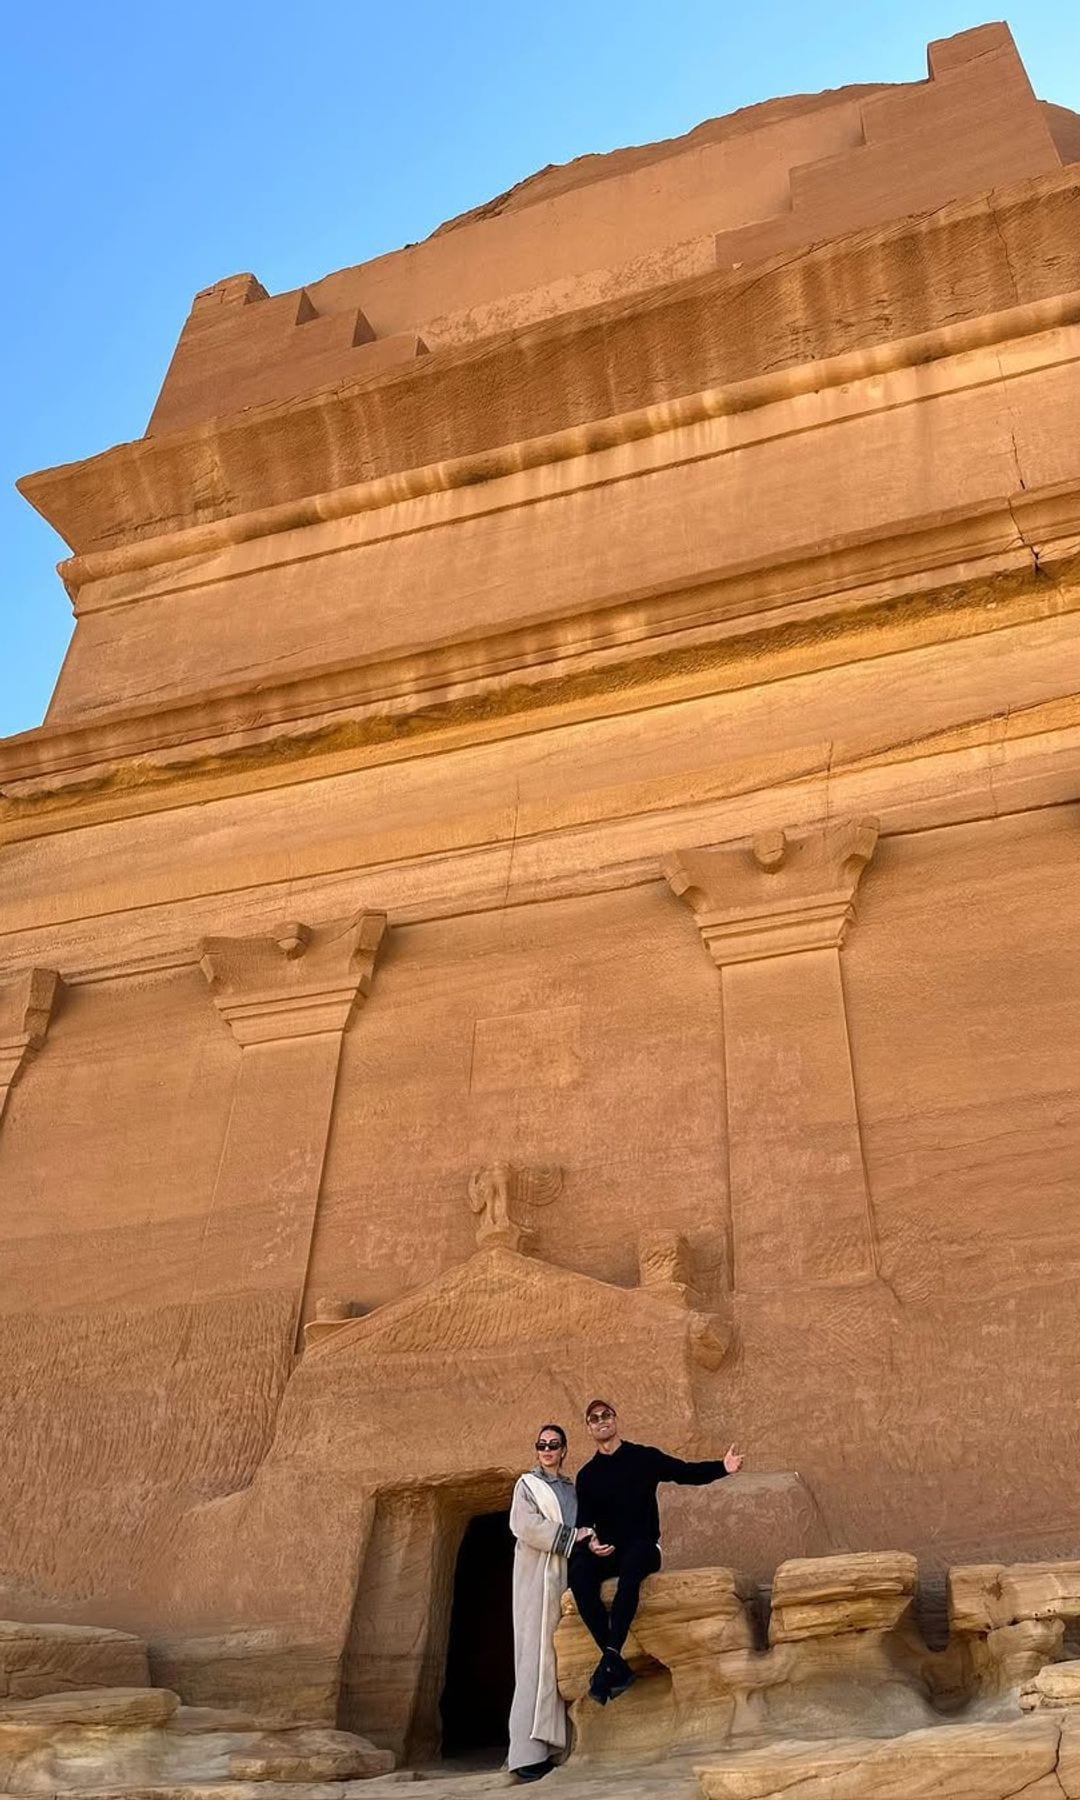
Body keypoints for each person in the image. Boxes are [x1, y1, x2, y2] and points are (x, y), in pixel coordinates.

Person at [569, 1399, 744, 1704]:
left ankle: (610, 1656)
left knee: (633, 1565)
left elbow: (684, 1472)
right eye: (594, 1418)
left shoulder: (642, 1457)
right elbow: (584, 1522)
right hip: (608, 1551)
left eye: (606, 1415)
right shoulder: (587, 1475)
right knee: (579, 1572)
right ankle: (615, 1662)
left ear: (615, 1419)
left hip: (644, 1547)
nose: (601, 1421)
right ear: (589, 1427)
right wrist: (591, 1543)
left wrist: (723, 1467)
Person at [508, 1423, 596, 1781]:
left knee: (556, 1659)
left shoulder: (572, 1490)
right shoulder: (526, 1486)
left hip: (563, 1577)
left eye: (553, 1444)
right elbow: (525, 1526)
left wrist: (589, 1540)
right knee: (532, 1659)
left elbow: (585, 1527)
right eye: (541, 1444)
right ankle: (525, 1754)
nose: (547, 1449)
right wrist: (571, 1536)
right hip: (534, 1580)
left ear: (563, 1450)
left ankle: (552, 1748)